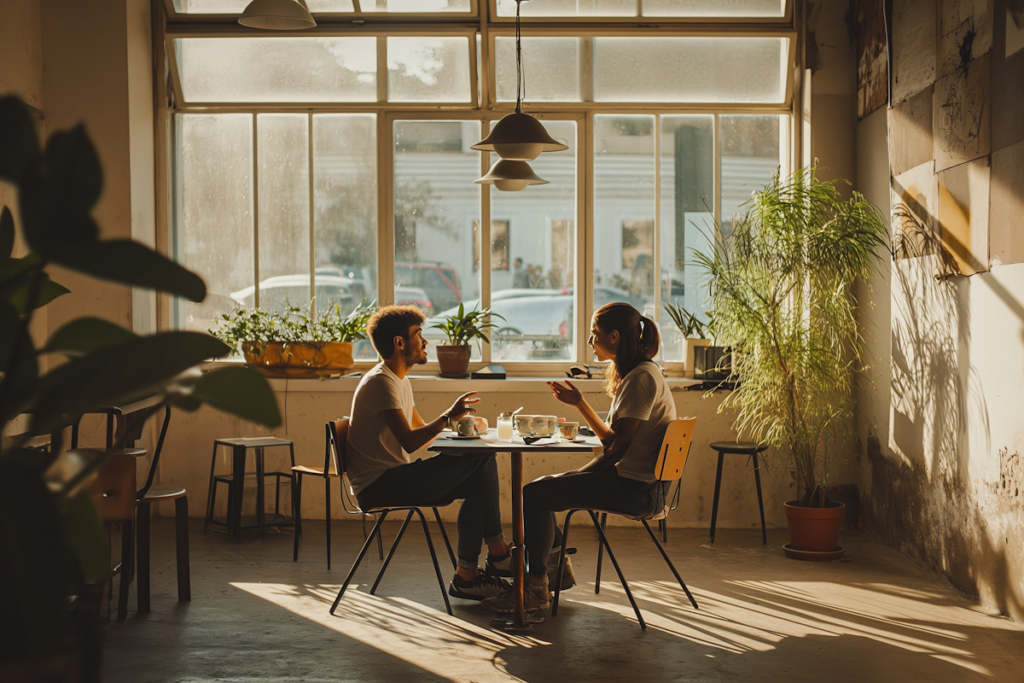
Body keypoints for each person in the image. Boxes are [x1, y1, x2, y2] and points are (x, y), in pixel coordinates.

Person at [482, 302, 675, 613]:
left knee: (535, 494)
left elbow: (616, 451)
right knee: (544, 488)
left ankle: (535, 589)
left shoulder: (641, 378)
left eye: (593, 334)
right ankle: (555, 572)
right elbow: (614, 439)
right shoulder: (641, 373)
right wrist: (580, 403)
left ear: (614, 337)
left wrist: (579, 474)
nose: (589, 342)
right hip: (638, 484)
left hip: (637, 491)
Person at [347, 305, 512, 601]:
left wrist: (465, 427)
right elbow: (411, 442)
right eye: (419, 335)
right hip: (379, 486)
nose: (425, 343)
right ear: (400, 343)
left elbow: (424, 431)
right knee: (483, 458)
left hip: (394, 478)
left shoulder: (398, 381)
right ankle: (493, 557)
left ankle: (469, 574)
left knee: (479, 473)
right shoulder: (381, 382)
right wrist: (449, 417)